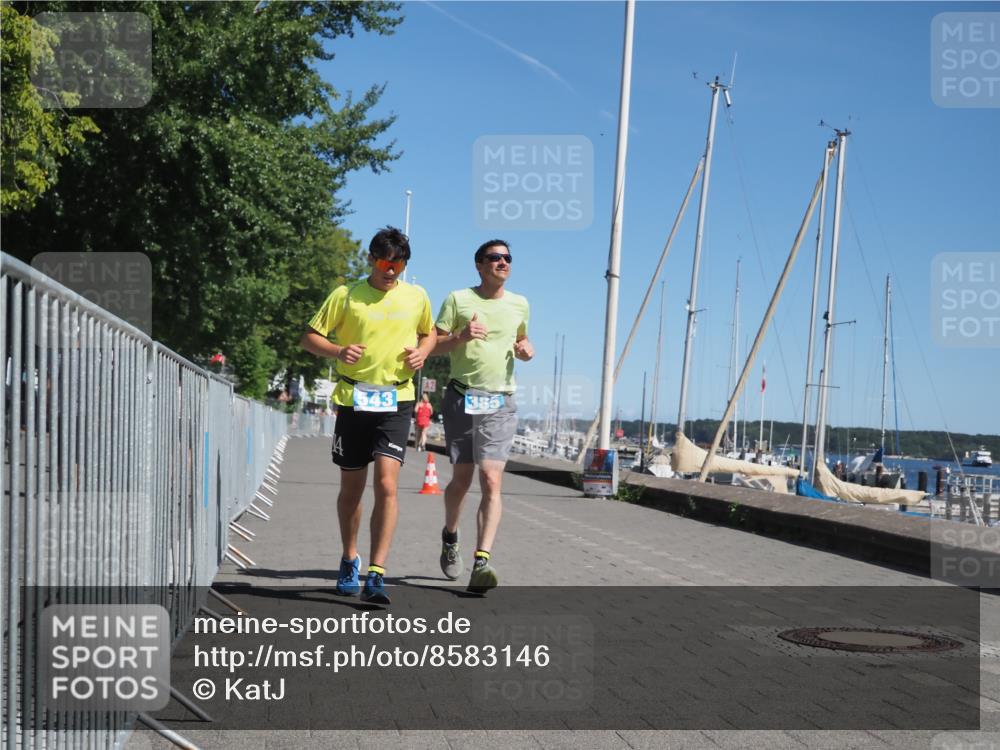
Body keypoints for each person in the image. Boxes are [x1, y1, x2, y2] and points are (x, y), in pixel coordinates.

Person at [301, 227, 436, 604]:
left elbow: (430, 334)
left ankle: (377, 572)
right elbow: (309, 337)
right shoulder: (346, 295)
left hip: (397, 399)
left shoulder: (417, 296)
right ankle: (350, 558)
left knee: (388, 485)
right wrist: (337, 350)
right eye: (383, 263)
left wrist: (423, 352)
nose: (390, 271)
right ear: (371, 260)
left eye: (398, 265)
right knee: (351, 491)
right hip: (353, 398)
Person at [432, 239, 533, 593]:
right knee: (461, 481)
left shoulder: (520, 304)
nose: (503, 262)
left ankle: (482, 561)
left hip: (500, 402)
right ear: (479, 265)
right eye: (495, 258)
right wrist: (460, 336)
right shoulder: (458, 299)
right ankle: (450, 535)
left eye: (507, 258)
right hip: (461, 398)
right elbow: (433, 345)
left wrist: (526, 350)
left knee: (491, 479)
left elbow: (522, 343)